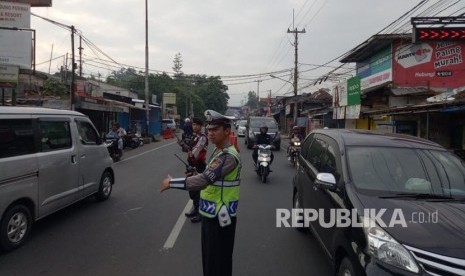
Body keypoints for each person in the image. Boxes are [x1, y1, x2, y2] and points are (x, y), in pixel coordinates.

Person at [161, 110, 241, 276]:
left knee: (217, 265)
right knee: (211, 262)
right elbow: (209, 178)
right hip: (211, 216)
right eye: (209, 129)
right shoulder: (218, 151)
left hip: (220, 218)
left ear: (227, 131)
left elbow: (205, 180)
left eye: (215, 129)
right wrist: (195, 175)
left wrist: (171, 183)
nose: (210, 133)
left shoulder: (228, 156)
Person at [184, 117, 209, 223]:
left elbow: (195, 152)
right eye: (193, 125)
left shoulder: (202, 138)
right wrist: (183, 145)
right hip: (191, 164)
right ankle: (195, 208)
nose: (194, 127)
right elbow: (188, 150)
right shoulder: (194, 136)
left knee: (198, 190)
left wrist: (189, 152)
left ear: (201, 126)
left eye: (196, 125)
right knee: (192, 189)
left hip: (198, 165)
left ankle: (200, 213)